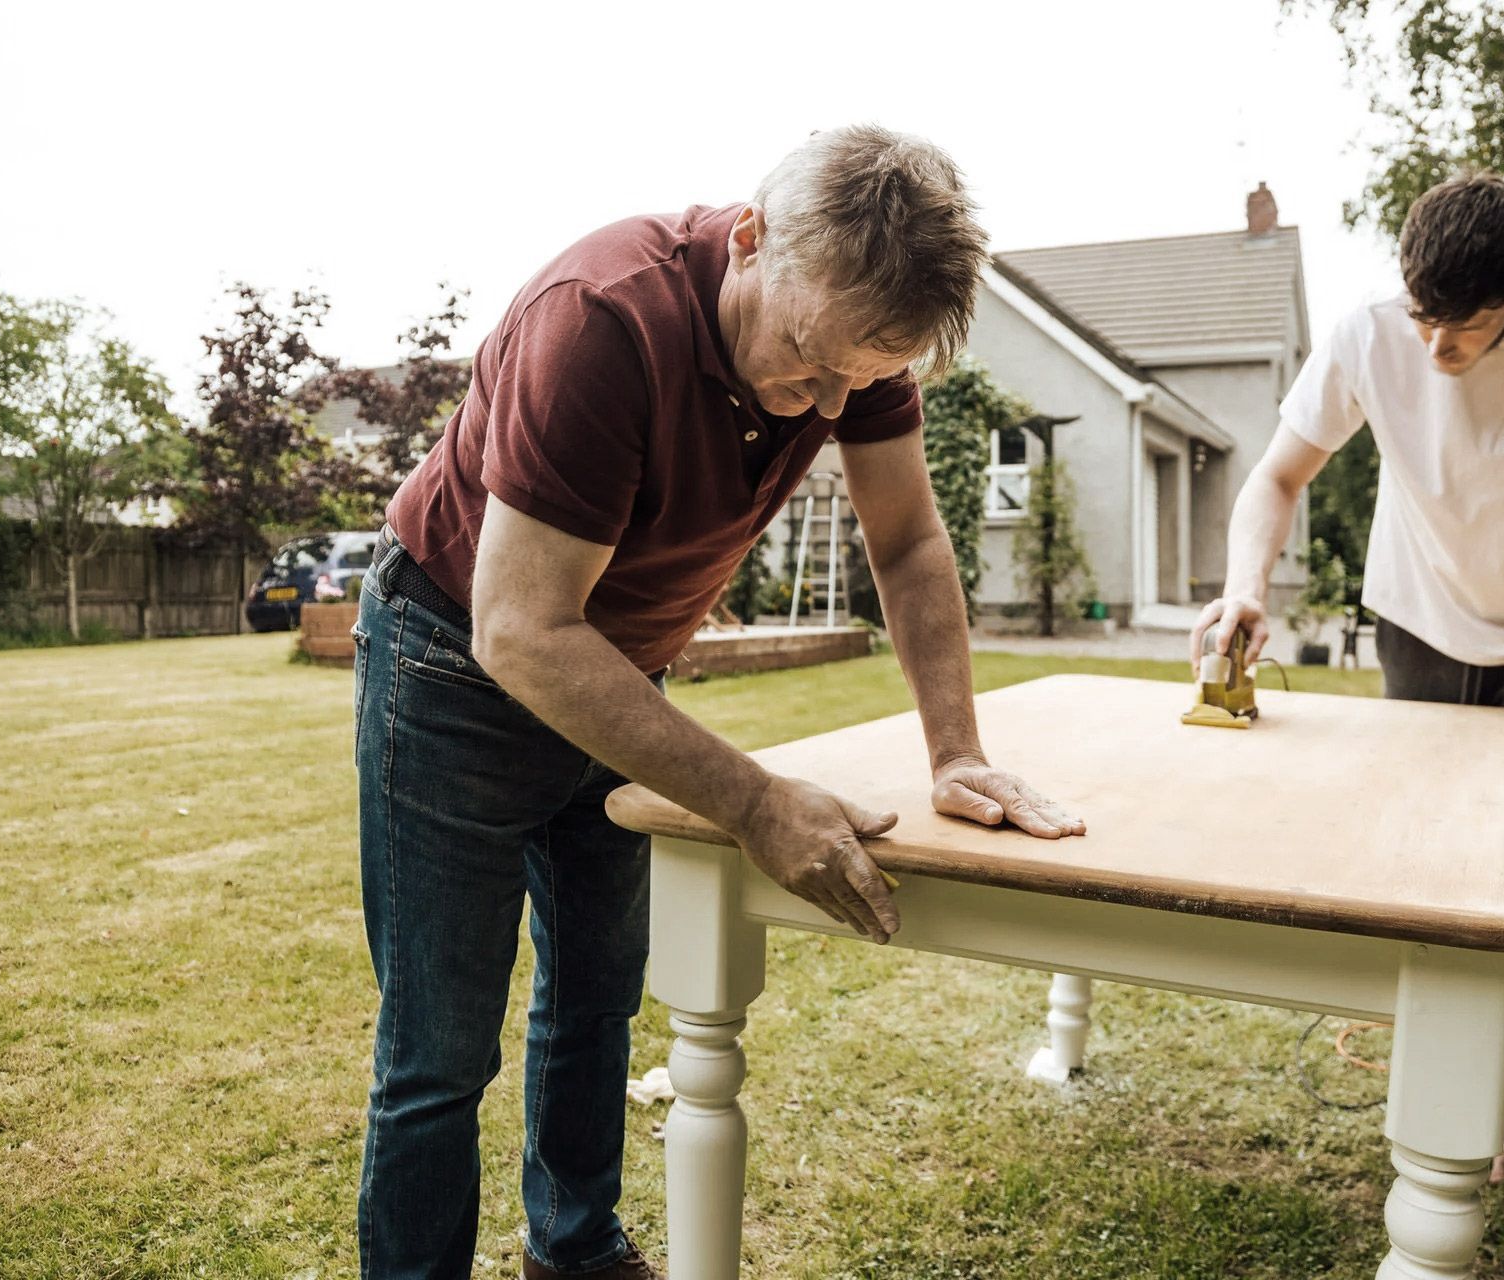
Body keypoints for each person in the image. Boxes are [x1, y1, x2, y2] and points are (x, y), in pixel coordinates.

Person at [353, 125, 1085, 1279]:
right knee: (439, 1051)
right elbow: (523, 628)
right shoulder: (599, 320)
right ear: (750, 237)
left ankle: (577, 1248)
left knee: (597, 1001)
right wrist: (755, 800)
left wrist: (955, 749)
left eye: (862, 375)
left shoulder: (851, 344)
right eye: (811, 360)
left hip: (617, 666)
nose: (831, 401)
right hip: (456, 659)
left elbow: (904, 539)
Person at [1193, 171, 1504, 1185]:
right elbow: (1276, 475)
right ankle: (1434, 1051)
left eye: (1462, 328)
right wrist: (1245, 586)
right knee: (1423, 853)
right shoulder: (1369, 331)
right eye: (1421, 316)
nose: (1435, 348)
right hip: (1417, 620)